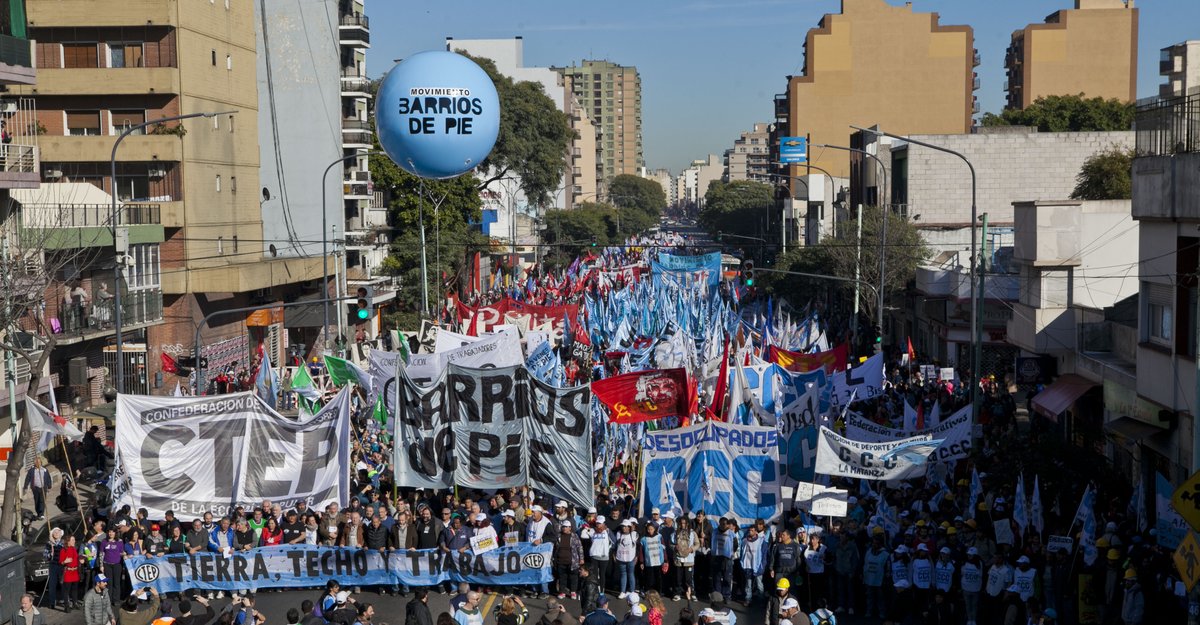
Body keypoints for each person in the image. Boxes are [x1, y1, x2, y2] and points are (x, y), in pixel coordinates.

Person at [555, 520, 584, 599]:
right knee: (562, 577)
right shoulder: (559, 536)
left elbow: (579, 547)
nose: (564, 528)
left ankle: (573, 592)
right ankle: (562, 592)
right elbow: (555, 547)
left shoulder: (574, 536)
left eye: (566, 527)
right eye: (563, 526)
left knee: (573, 577)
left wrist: (581, 558)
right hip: (561, 560)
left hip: (573, 561)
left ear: (570, 528)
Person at [60, 534, 82, 612]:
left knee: (75, 589)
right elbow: (61, 562)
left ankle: (75, 603)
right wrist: (65, 561)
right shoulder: (63, 550)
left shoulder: (73, 549)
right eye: (72, 540)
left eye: (74, 540)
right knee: (67, 590)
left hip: (75, 571)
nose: (74, 541)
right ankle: (67, 606)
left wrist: (81, 560)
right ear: (68, 541)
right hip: (68, 572)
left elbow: (76, 558)